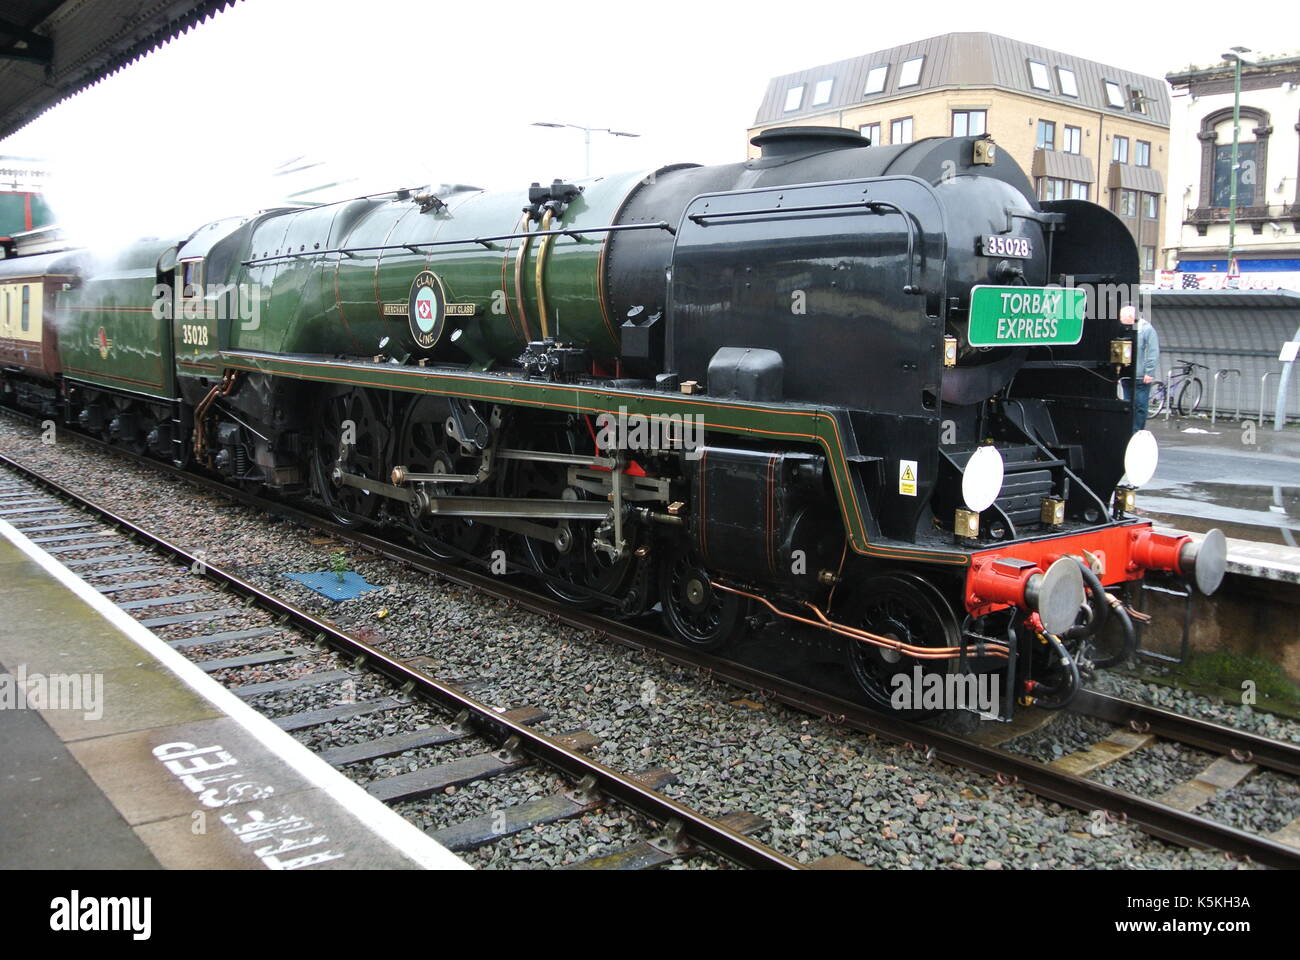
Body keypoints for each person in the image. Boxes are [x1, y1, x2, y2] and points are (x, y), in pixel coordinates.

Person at [1120, 304, 1159, 431]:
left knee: (1140, 405)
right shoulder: (1123, 329)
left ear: (1131, 317)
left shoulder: (1146, 329)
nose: (1120, 320)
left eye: (1122, 317)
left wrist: (1149, 371)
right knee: (1128, 404)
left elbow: (1153, 351)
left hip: (1141, 376)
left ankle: (1137, 431)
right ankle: (1127, 430)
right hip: (1126, 374)